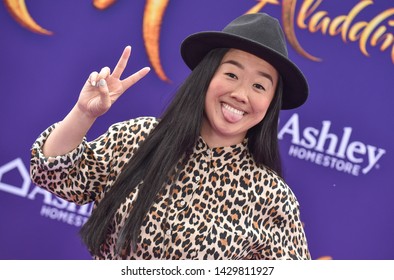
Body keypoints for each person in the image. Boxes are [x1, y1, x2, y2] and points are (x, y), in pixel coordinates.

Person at [30, 12, 311, 260]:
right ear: (207, 76)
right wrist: (84, 112)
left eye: (260, 86)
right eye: (232, 75)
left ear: (271, 103)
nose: (241, 94)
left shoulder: (273, 198)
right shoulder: (138, 138)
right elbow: (52, 172)